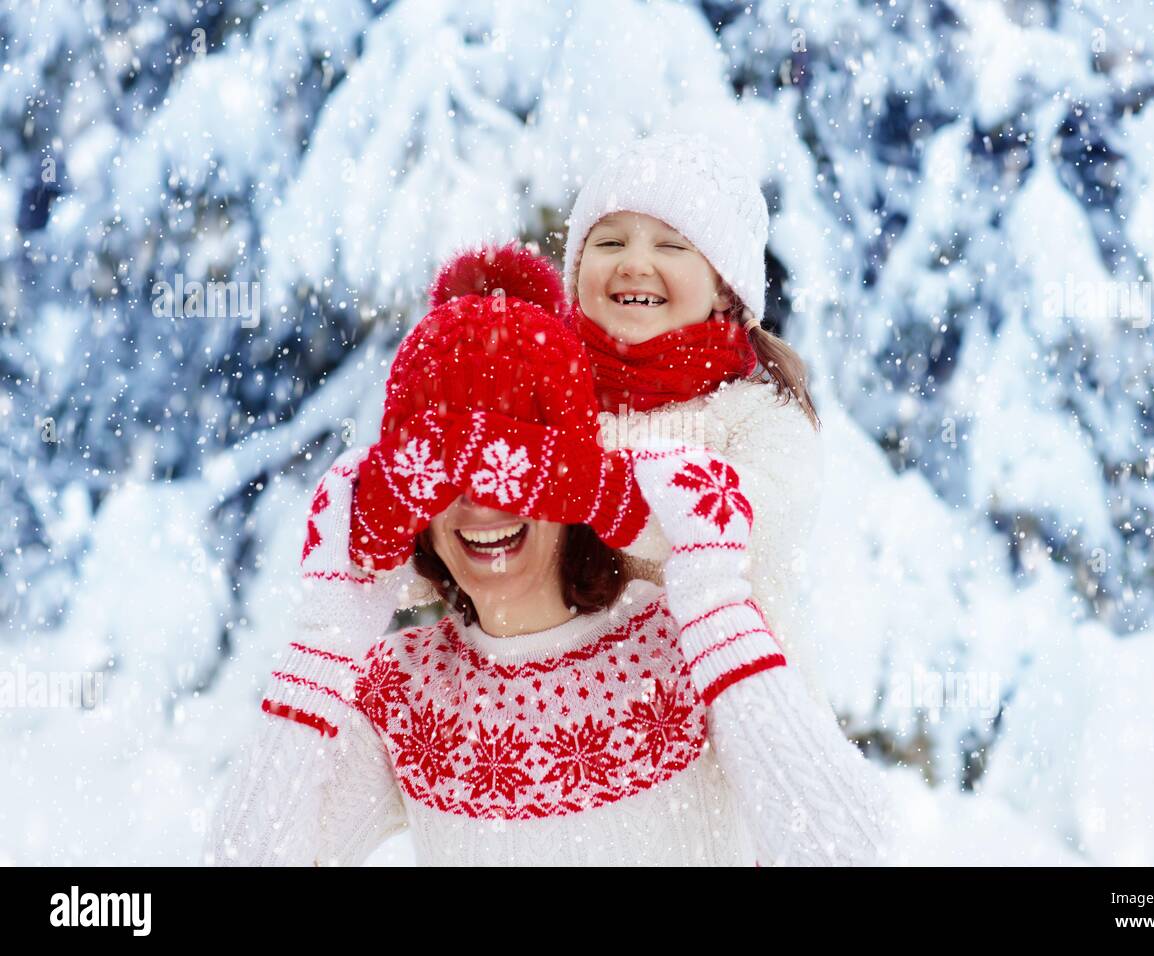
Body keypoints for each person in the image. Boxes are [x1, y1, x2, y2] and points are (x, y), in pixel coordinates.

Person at [201, 243, 894, 866]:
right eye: (444, 475)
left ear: (572, 485)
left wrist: (713, 596)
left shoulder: (685, 645)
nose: (481, 504)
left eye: (510, 465)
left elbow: (846, 852)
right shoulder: (405, 692)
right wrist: (327, 634)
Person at [562, 130, 832, 710]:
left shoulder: (758, 415)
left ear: (725, 292)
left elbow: (754, 522)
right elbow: (467, 546)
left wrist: (604, 493)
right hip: (578, 731)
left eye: (671, 246)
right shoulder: (551, 402)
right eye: (608, 242)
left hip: (729, 720)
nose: (635, 263)